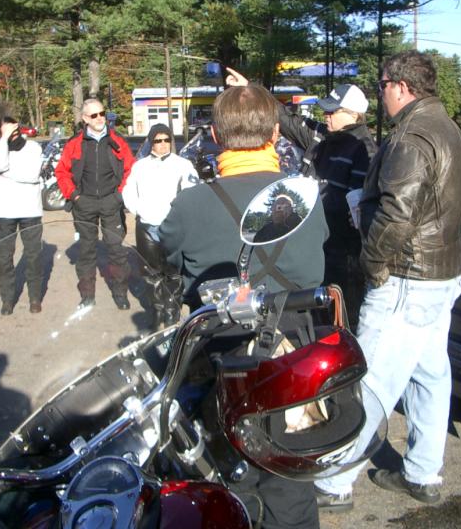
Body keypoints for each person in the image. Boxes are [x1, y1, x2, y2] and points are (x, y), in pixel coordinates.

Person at [159, 77, 329, 529]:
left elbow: (165, 259)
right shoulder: (306, 198)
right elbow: (318, 262)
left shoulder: (190, 204)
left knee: (223, 491)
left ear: (215, 136)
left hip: (219, 364)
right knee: (291, 489)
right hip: (291, 363)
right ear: (274, 133)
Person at [313, 50, 461, 511]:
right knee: (429, 375)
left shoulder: (413, 135)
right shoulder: (448, 129)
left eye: (382, 85)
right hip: (441, 274)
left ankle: (334, 481)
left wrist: (372, 262)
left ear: (401, 87)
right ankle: (423, 473)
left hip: (408, 277)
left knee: (371, 380)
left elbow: (397, 213)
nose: (380, 93)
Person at [228, 70, 376, 327]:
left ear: (354, 115)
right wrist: (250, 88)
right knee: (312, 317)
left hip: (342, 256)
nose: (326, 116)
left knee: (341, 321)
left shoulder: (365, 151)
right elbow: (285, 118)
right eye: (325, 111)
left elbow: (359, 214)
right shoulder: (320, 136)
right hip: (312, 246)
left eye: (332, 111)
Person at [56, 98, 134, 310]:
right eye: (94, 115)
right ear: (85, 119)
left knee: (116, 250)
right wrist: (74, 196)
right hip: (84, 203)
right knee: (86, 251)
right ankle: (87, 295)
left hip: (111, 202)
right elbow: (61, 172)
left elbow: (130, 169)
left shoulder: (117, 140)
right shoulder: (75, 143)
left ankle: (120, 293)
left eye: (102, 113)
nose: (100, 118)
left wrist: (119, 195)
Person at [121, 123, 198, 331]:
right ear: (151, 142)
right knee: (151, 273)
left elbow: (192, 190)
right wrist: (139, 210)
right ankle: (156, 311)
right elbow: (128, 192)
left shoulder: (183, 165)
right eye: (158, 140)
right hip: (147, 226)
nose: (163, 144)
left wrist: (179, 213)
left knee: (173, 273)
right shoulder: (140, 166)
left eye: (166, 140)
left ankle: (172, 312)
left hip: (173, 227)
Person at [0, 117, 44, 315]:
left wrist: (5, 173)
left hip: (30, 211)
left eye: (13, 130)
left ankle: (35, 298)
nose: (11, 134)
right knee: (4, 258)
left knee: (33, 257)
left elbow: (32, 174)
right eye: (5, 132)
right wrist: (3, 140)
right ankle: (7, 300)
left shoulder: (33, 148)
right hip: (3, 213)